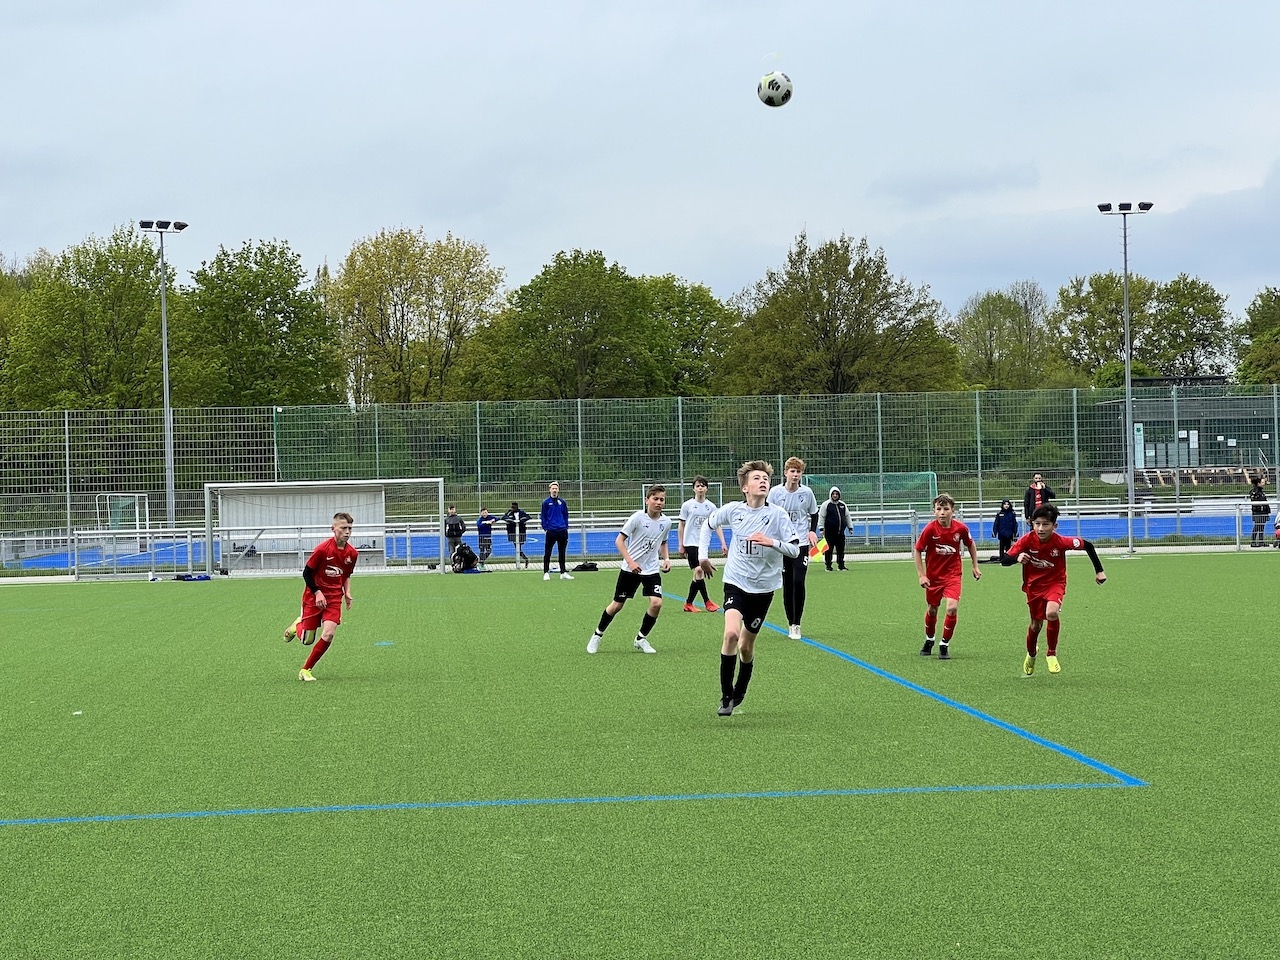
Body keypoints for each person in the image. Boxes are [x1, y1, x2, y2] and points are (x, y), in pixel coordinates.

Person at [698, 460, 800, 717]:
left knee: (745, 646)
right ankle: (726, 696)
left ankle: (740, 688)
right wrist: (702, 556)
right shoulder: (734, 510)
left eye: (765, 478)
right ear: (745, 487)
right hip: (736, 583)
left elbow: (795, 549)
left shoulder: (778, 515)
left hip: (764, 589)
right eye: (756, 478)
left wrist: (771, 542)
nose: (763, 481)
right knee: (731, 633)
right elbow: (707, 525)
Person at [1005, 503, 1106, 676]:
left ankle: (1051, 653)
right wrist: (1017, 557)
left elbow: (1088, 545)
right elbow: (1005, 560)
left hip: (1055, 583)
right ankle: (1031, 654)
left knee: (1052, 613)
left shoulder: (1060, 541)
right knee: (1035, 625)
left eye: (1045, 524)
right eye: (1037, 524)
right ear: (1032, 523)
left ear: (1054, 526)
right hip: (1033, 587)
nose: (1041, 528)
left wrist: (1099, 571)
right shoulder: (1027, 540)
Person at [587, 485, 672, 655]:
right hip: (630, 569)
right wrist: (631, 562)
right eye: (655, 499)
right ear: (647, 500)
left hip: (651, 570)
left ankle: (641, 638)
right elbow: (619, 541)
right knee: (617, 605)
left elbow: (663, 542)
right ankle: (597, 635)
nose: (659, 502)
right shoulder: (637, 518)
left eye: (662, 499)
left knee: (656, 603)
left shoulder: (667, 522)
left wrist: (667, 559)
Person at [283, 512, 358, 682]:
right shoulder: (322, 549)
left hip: (334, 598)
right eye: (343, 528)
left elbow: (346, 574)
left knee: (328, 634)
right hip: (313, 597)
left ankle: (306, 670)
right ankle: (297, 625)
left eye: (350, 528)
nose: (347, 532)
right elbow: (306, 573)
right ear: (333, 529)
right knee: (307, 640)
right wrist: (317, 593)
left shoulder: (352, 554)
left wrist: (347, 593)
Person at [912, 494, 982, 660]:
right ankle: (929, 639)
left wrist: (975, 565)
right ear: (934, 511)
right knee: (932, 609)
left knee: (952, 608)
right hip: (933, 577)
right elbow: (918, 550)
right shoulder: (930, 529)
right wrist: (922, 575)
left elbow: (970, 544)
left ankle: (944, 644)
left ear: (953, 511)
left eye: (945, 509)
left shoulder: (960, 529)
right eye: (939, 509)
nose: (942, 512)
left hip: (953, 575)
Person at [766, 456, 819, 639]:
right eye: (792, 471)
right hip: (782, 545)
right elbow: (768, 513)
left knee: (798, 581)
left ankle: (797, 623)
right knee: (787, 583)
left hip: (801, 544)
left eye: (798, 471)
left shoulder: (807, 493)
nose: (795, 475)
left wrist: (812, 531)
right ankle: (790, 622)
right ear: (785, 473)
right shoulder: (775, 493)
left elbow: (814, 514)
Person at [677, 476, 726, 613]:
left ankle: (688, 603)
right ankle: (707, 602)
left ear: (706, 489)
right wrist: (681, 544)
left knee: (698, 574)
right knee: (699, 570)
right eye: (697, 486)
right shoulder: (687, 505)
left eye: (702, 486)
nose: (700, 488)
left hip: (703, 544)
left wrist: (723, 543)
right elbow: (681, 525)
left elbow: (717, 525)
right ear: (693, 488)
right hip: (690, 542)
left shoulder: (711, 507)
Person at [540, 481, 573, 580]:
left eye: (556, 488)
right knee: (548, 551)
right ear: (550, 490)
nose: (554, 490)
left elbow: (565, 514)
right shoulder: (546, 503)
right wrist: (546, 527)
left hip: (562, 530)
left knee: (562, 552)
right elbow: (543, 516)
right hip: (551, 530)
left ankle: (563, 572)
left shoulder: (562, 502)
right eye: (553, 488)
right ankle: (546, 572)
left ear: (558, 490)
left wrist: (565, 526)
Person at [817, 486, 851, 571]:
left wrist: (850, 527)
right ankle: (828, 566)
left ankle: (841, 565)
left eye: (836, 494)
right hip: (829, 532)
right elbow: (821, 517)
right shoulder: (826, 505)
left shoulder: (842, 505)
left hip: (840, 532)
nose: (835, 495)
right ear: (830, 495)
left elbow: (847, 516)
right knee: (829, 549)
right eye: (833, 494)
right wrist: (821, 528)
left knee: (841, 550)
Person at [501, 501, 531, 567]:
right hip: (512, 532)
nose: (512, 509)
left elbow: (528, 517)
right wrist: (511, 521)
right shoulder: (509, 513)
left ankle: (524, 560)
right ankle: (525, 559)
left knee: (518, 547)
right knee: (517, 547)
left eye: (514, 507)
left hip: (521, 531)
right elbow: (504, 517)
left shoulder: (521, 512)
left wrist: (520, 521)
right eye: (512, 507)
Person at [1248, 473, 1270, 547]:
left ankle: (1261, 541)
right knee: (1257, 526)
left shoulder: (1261, 492)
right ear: (1258, 483)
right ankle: (1253, 542)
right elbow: (1255, 501)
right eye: (1262, 482)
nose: (1264, 484)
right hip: (1258, 512)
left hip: (1263, 512)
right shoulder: (1255, 492)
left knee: (1261, 527)